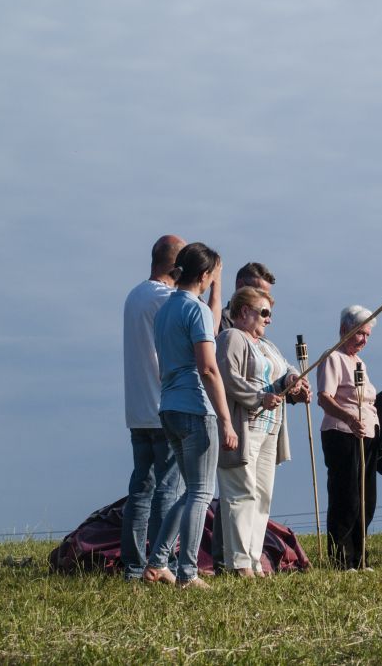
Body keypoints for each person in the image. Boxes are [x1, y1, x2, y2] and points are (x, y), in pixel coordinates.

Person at [143, 242, 239, 589]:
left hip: (168, 406)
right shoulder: (194, 310)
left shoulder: (166, 309)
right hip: (195, 408)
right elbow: (208, 368)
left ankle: (156, 562)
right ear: (204, 275)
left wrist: (217, 283)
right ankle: (188, 572)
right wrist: (226, 419)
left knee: (189, 491)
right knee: (201, 492)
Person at [215, 286, 311, 576]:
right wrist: (260, 397)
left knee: (261, 495)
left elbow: (284, 371)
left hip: (271, 430)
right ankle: (239, 562)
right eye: (264, 312)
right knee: (240, 493)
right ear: (244, 312)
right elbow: (227, 379)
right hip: (244, 428)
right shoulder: (231, 337)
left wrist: (294, 380)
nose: (269, 319)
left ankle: (255, 561)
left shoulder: (267, 345)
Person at [120, 234, 186, 581]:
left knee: (140, 487)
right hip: (164, 403)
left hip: (137, 407)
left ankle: (132, 565)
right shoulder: (166, 298)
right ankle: (162, 562)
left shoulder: (134, 295)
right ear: (177, 267)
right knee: (168, 488)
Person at [317, 306, 380, 570]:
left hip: (367, 434)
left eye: (367, 335)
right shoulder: (333, 357)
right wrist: (349, 418)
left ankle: (360, 556)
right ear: (345, 331)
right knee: (347, 497)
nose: (364, 340)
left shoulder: (360, 363)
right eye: (360, 334)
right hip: (342, 434)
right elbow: (325, 398)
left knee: (366, 497)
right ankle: (341, 558)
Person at [219, 262, 276, 332]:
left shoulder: (259, 325)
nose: (265, 299)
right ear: (240, 285)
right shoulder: (224, 318)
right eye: (259, 292)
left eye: (267, 294)